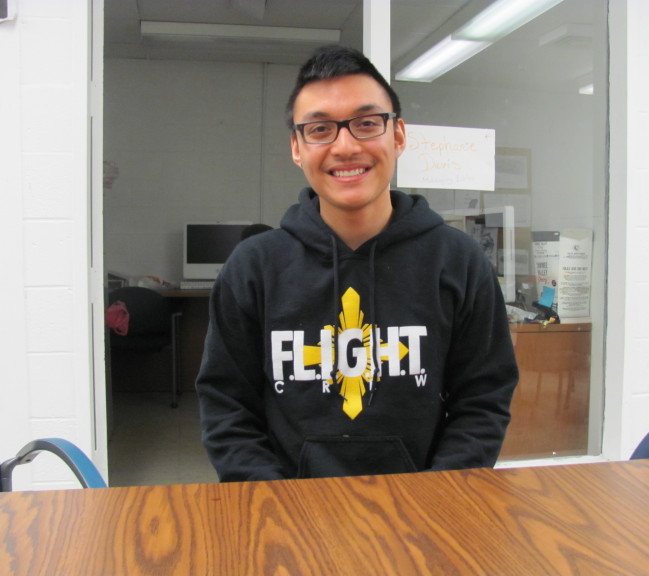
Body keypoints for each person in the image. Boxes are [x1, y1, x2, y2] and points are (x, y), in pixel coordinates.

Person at [196, 45, 519, 481]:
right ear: (296, 147)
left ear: (398, 136)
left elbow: (483, 400)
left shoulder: (459, 262)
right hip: (287, 508)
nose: (345, 147)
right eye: (320, 129)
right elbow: (227, 406)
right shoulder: (253, 268)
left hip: (427, 505)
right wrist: (274, 503)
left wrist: (438, 496)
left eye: (367, 124)